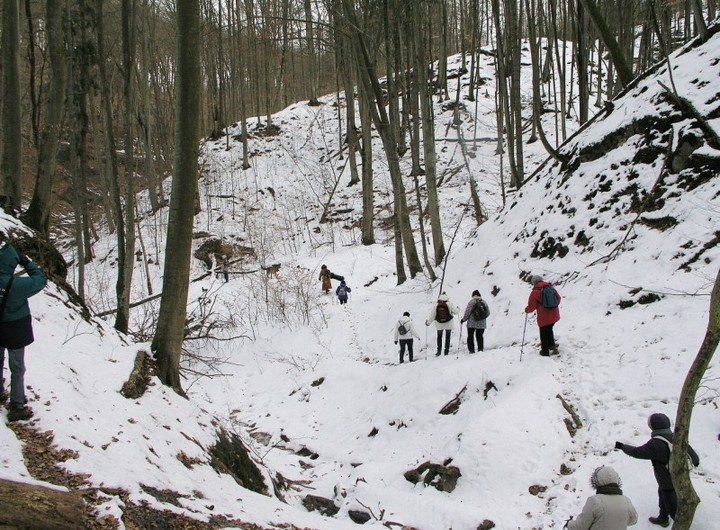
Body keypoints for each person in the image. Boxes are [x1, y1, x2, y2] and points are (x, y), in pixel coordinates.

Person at [615, 412, 700, 527]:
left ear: (653, 426)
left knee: (671, 505)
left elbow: (637, 452)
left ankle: (679, 522)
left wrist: (623, 447)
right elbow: (692, 455)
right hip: (680, 475)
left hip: (666, 479)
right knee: (662, 493)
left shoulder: (655, 444)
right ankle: (663, 517)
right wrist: (694, 462)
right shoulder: (677, 436)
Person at [0, 238, 47, 422]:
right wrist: (27, 263)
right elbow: (40, 279)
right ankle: (16, 405)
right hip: (15, 330)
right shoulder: (18, 285)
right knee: (17, 367)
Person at [565, 465, 638, 530]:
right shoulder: (626, 501)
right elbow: (633, 520)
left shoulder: (595, 501)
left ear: (597, 481)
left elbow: (580, 527)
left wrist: (569, 524)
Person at [524, 274, 561, 356]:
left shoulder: (535, 292)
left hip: (544, 317)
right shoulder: (550, 288)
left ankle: (545, 351)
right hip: (554, 314)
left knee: (544, 333)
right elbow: (558, 298)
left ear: (534, 282)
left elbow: (531, 306)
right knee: (549, 330)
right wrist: (552, 306)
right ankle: (552, 346)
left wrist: (527, 310)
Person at [425, 292, 459, 357]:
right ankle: (446, 351)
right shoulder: (450, 304)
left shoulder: (436, 305)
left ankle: (439, 351)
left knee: (439, 337)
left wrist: (428, 323)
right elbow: (456, 312)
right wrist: (458, 309)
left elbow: (432, 315)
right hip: (448, 323)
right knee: (447, 337)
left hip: (439, 324)